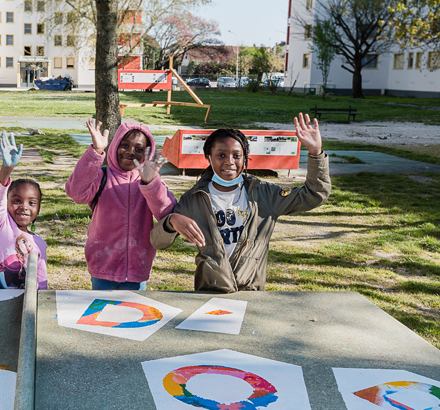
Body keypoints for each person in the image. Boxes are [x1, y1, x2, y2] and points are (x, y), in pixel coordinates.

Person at [150, 113, 331, 292]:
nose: (229, 162)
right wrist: (172, 221)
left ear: (245, 158)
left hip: (250, 291)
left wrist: (315, 153)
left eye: (237, 155)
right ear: (209, 157)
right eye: (221, 155)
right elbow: (158, 242)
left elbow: (314, 194)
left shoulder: (264, 194)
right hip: (209, 292)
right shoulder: (194, 198)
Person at [65, 118, 176, 290]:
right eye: (125, 145)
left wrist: (150, 183)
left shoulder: (150, 181)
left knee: (133, 315)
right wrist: (95, 152)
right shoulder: (102, 177)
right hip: (102, 268)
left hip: (137, 271)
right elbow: (76, 193)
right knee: (101, 315)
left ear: (147, 152)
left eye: (138, 149)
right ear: (115, 145)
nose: (131, 152)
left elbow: (167, 213)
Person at [0, 132, 47, 289]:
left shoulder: (39, 244)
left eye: (32, 202)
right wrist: (6, 168)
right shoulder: (1, 224)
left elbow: (41, 283)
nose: (24, 206)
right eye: (17, 201)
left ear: (38, 209)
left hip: (21, 306)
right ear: (7, 203)